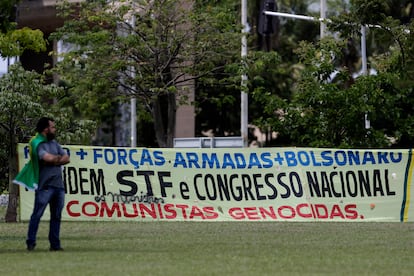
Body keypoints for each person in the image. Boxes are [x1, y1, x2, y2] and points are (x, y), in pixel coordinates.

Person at [25, 117, 70, 251]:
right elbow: (46, 157)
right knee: (37, 214)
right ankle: (31, 241)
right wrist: (57, 159)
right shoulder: (38, 143)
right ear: (46, 129)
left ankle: (55, 244)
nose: (54, 129)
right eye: (53, 127)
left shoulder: (54, 143)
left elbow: (66, 158)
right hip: (45, 186)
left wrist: (54, 160)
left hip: (58, 186)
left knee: (56, 216)